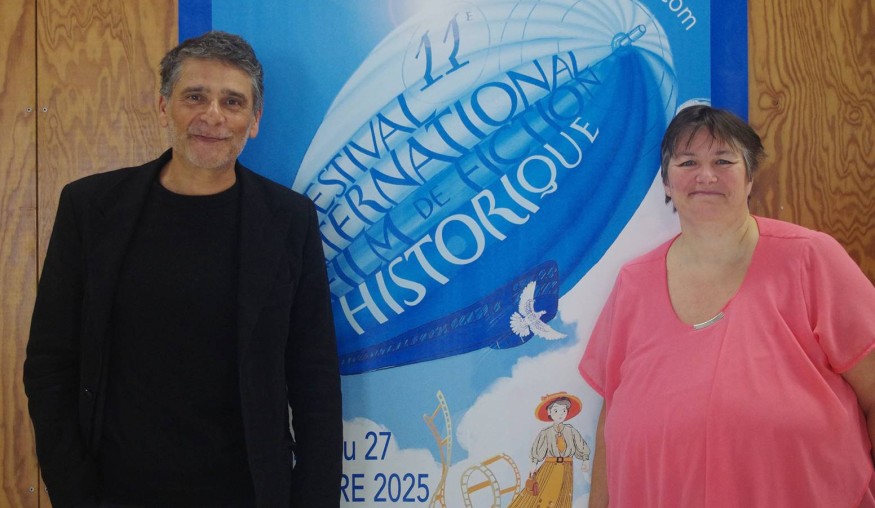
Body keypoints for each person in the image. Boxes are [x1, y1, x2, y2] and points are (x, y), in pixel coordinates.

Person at [23, 31, 342, 508]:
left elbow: (314, 375)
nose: (213, 115)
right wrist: (75, 493)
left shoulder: (289, 220)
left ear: (254, 120)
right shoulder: (90, 209)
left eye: (232, 102)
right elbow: (50, 362)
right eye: (195, 96)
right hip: (116, 492)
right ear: (163, 106)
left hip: (248, 494)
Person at [579, 105, 875, 507]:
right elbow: (611, 418)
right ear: (666, 182)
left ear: (750, 177)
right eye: (688, 162)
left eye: (723, 160)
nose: (706, 175)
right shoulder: (633, 283)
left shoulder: (810, 259)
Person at [508, 392, 591, 508]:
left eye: (564, 410)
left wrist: (585, 460)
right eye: (556, 411)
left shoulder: (571, 431)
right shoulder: (546, 433)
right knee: (544, 496)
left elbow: (580, 445)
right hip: (550, 467)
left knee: (562, 498)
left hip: (567, 467)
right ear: (549, 412)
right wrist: (533, 465)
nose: (560, 414)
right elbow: (538, 451)